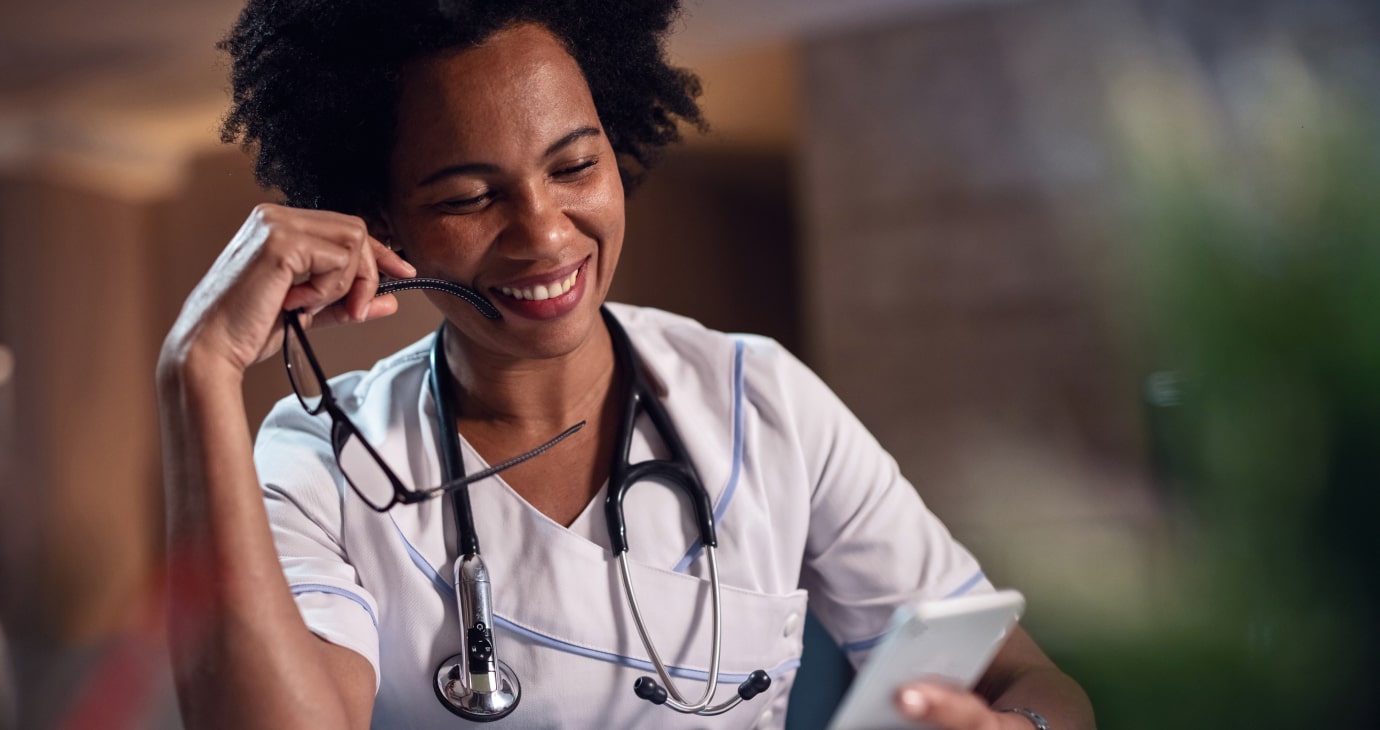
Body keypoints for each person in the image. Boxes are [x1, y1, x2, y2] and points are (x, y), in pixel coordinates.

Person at [156, 1, 1095, 728]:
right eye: (472, 196)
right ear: (383, 224)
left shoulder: (758, 399)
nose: (545, 234)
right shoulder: (326, 457)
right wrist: (197, 369)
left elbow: (1027, 676)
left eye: (573, 167)